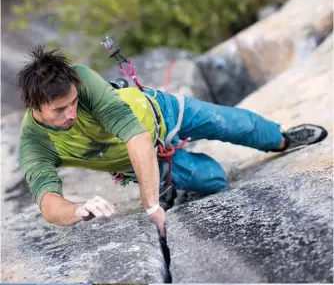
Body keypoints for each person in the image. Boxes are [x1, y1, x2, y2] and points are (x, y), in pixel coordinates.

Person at [18, 45, 327, 236]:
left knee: (236, 124)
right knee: (212, 179)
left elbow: (134, 134)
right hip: (145, 158)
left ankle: (282, 139)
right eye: (60, 110)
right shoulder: (34, 141)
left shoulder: (82, 80)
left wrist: (149, 204)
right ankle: (166, 179)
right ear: (36, 108)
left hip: (163, 112)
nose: (71, 113)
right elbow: (47, 201)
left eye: (72, 102)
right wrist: (77, 210)